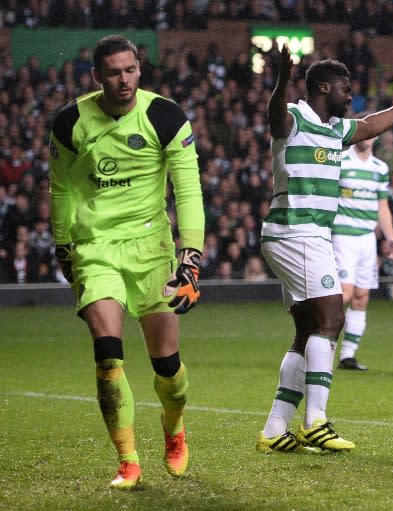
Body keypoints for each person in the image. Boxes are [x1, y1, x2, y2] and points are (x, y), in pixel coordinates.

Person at [257, 45, 393, 452]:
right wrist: (282, 80)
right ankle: (316, 421)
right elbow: (274, 119)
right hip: (296, 232)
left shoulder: (335, 129)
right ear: (323, 87)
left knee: (308, 331)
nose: (350, 96)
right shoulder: (296, 117)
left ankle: (274, 429)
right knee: (331, 317)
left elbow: (371, 125)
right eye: (345, 88)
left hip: (308, 235)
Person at [49, 35, 204, 489]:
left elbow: (188, 189)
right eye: (114, 72)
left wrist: (190, 259)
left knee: (167, 368)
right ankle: (128, 460)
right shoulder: (70, 122)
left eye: (131, 70)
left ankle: (174, 431)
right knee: (107, 353)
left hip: (152, 250)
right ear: (97, 76)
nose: (124, 80)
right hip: (95, 249)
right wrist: (64, 247)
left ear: (140, 69)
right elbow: (62, 191)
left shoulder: (165, 116)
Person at [332, 134, 393, 371]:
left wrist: (390, 236)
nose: (369, 137)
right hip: (343, 235)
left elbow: (382, 206)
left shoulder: (380, 168)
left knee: (362, 296)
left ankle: (347, 356)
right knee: (344, 294)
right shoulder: (340, 161)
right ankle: (322, 345)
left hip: (367, 239)